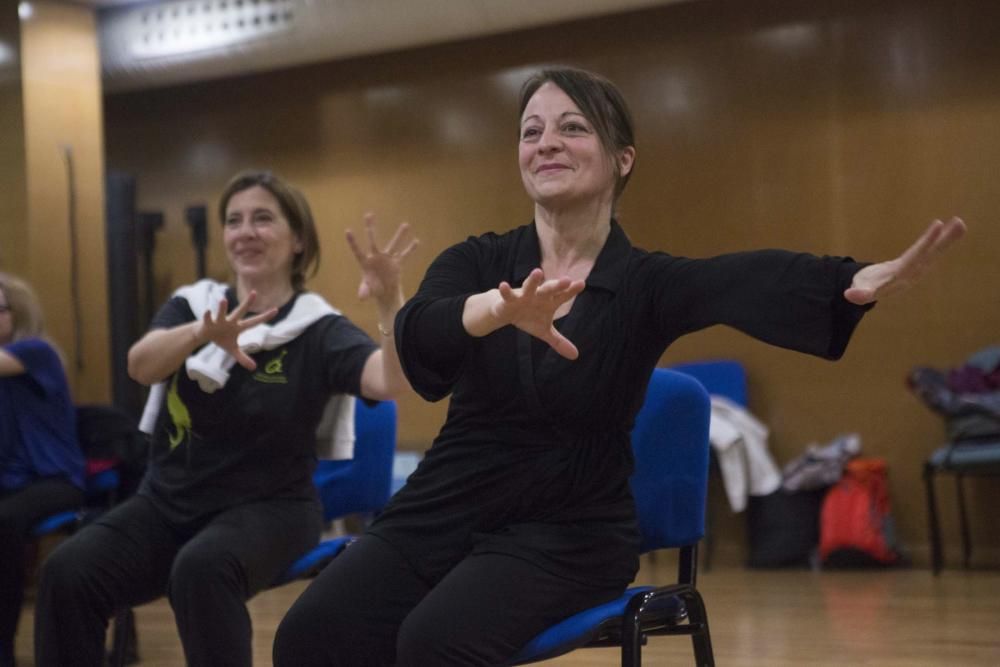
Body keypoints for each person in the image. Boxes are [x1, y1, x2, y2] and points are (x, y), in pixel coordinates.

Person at [272, 67, 966, 666]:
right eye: (531, 129)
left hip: (568, 530)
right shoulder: (478, 262)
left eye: (572, 127)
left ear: (622, 157)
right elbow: (421, 339)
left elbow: (739, 278)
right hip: (443, 506)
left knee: (433, 640)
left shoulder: (644, 284)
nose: (546, 141)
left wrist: (852, 279)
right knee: (311, 631)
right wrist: (496, 310)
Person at [34, 170, 418, 667]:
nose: (245, 232)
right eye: (234, 220)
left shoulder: (318, 327)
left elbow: (392, 381)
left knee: (201, 568)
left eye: (263, 218)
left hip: (273, 509)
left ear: (298, 239)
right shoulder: (194, 306)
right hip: (168, 502)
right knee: (67, 571)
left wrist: (390, 298)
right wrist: (199, 333)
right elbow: (141, 364)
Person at [0, 273, 84, 667]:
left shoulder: (37, 352)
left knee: (4, 523)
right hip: (12, 481)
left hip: (55, 479)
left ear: (15, 313)